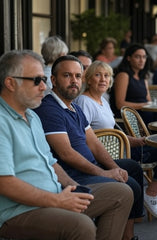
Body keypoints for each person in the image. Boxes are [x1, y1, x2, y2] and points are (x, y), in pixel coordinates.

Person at [0, 50, 133, 240]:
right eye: (37, 80)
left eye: (43, 80)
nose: (43, 87)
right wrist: (58, 200)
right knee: (81, 226)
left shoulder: (31, 116)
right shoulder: (2, 121)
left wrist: (75, 188)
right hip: (18, 211)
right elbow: (4, 183)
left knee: (122, 192)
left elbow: (52, 163)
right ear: (10, 83)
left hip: (55, 193)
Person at [33, 55, 142, 240]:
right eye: (67, 75)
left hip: (88, 167)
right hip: (73, 174)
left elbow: (94, 144)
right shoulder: (49, 109)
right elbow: (66, 154)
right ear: (53, 80)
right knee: (129, 186)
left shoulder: (74, 107)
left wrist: (114, 168)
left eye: (77, 76)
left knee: (132, 167)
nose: (74, 81)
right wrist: (104, 173)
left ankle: (127, 234)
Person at [75, 60, 157, 219]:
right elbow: (85, 136)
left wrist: (138, 141)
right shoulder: (84, 101)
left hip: (122, 147)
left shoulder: (102, 101)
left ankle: (154, 195)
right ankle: (152, 195)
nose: (103, 79)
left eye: (106, 75)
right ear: (89, 79)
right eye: (98, 75)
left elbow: (114, 131)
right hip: (110, 155)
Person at [110, 43, 154, 125]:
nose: (142, 60)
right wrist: (143, 105)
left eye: (144, 57)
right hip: (131, 119)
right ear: (128, 58)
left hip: (144, 115)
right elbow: (120, 104)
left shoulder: (143, 77)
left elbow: (149, 100)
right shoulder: (123, 75)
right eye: (137, 57)